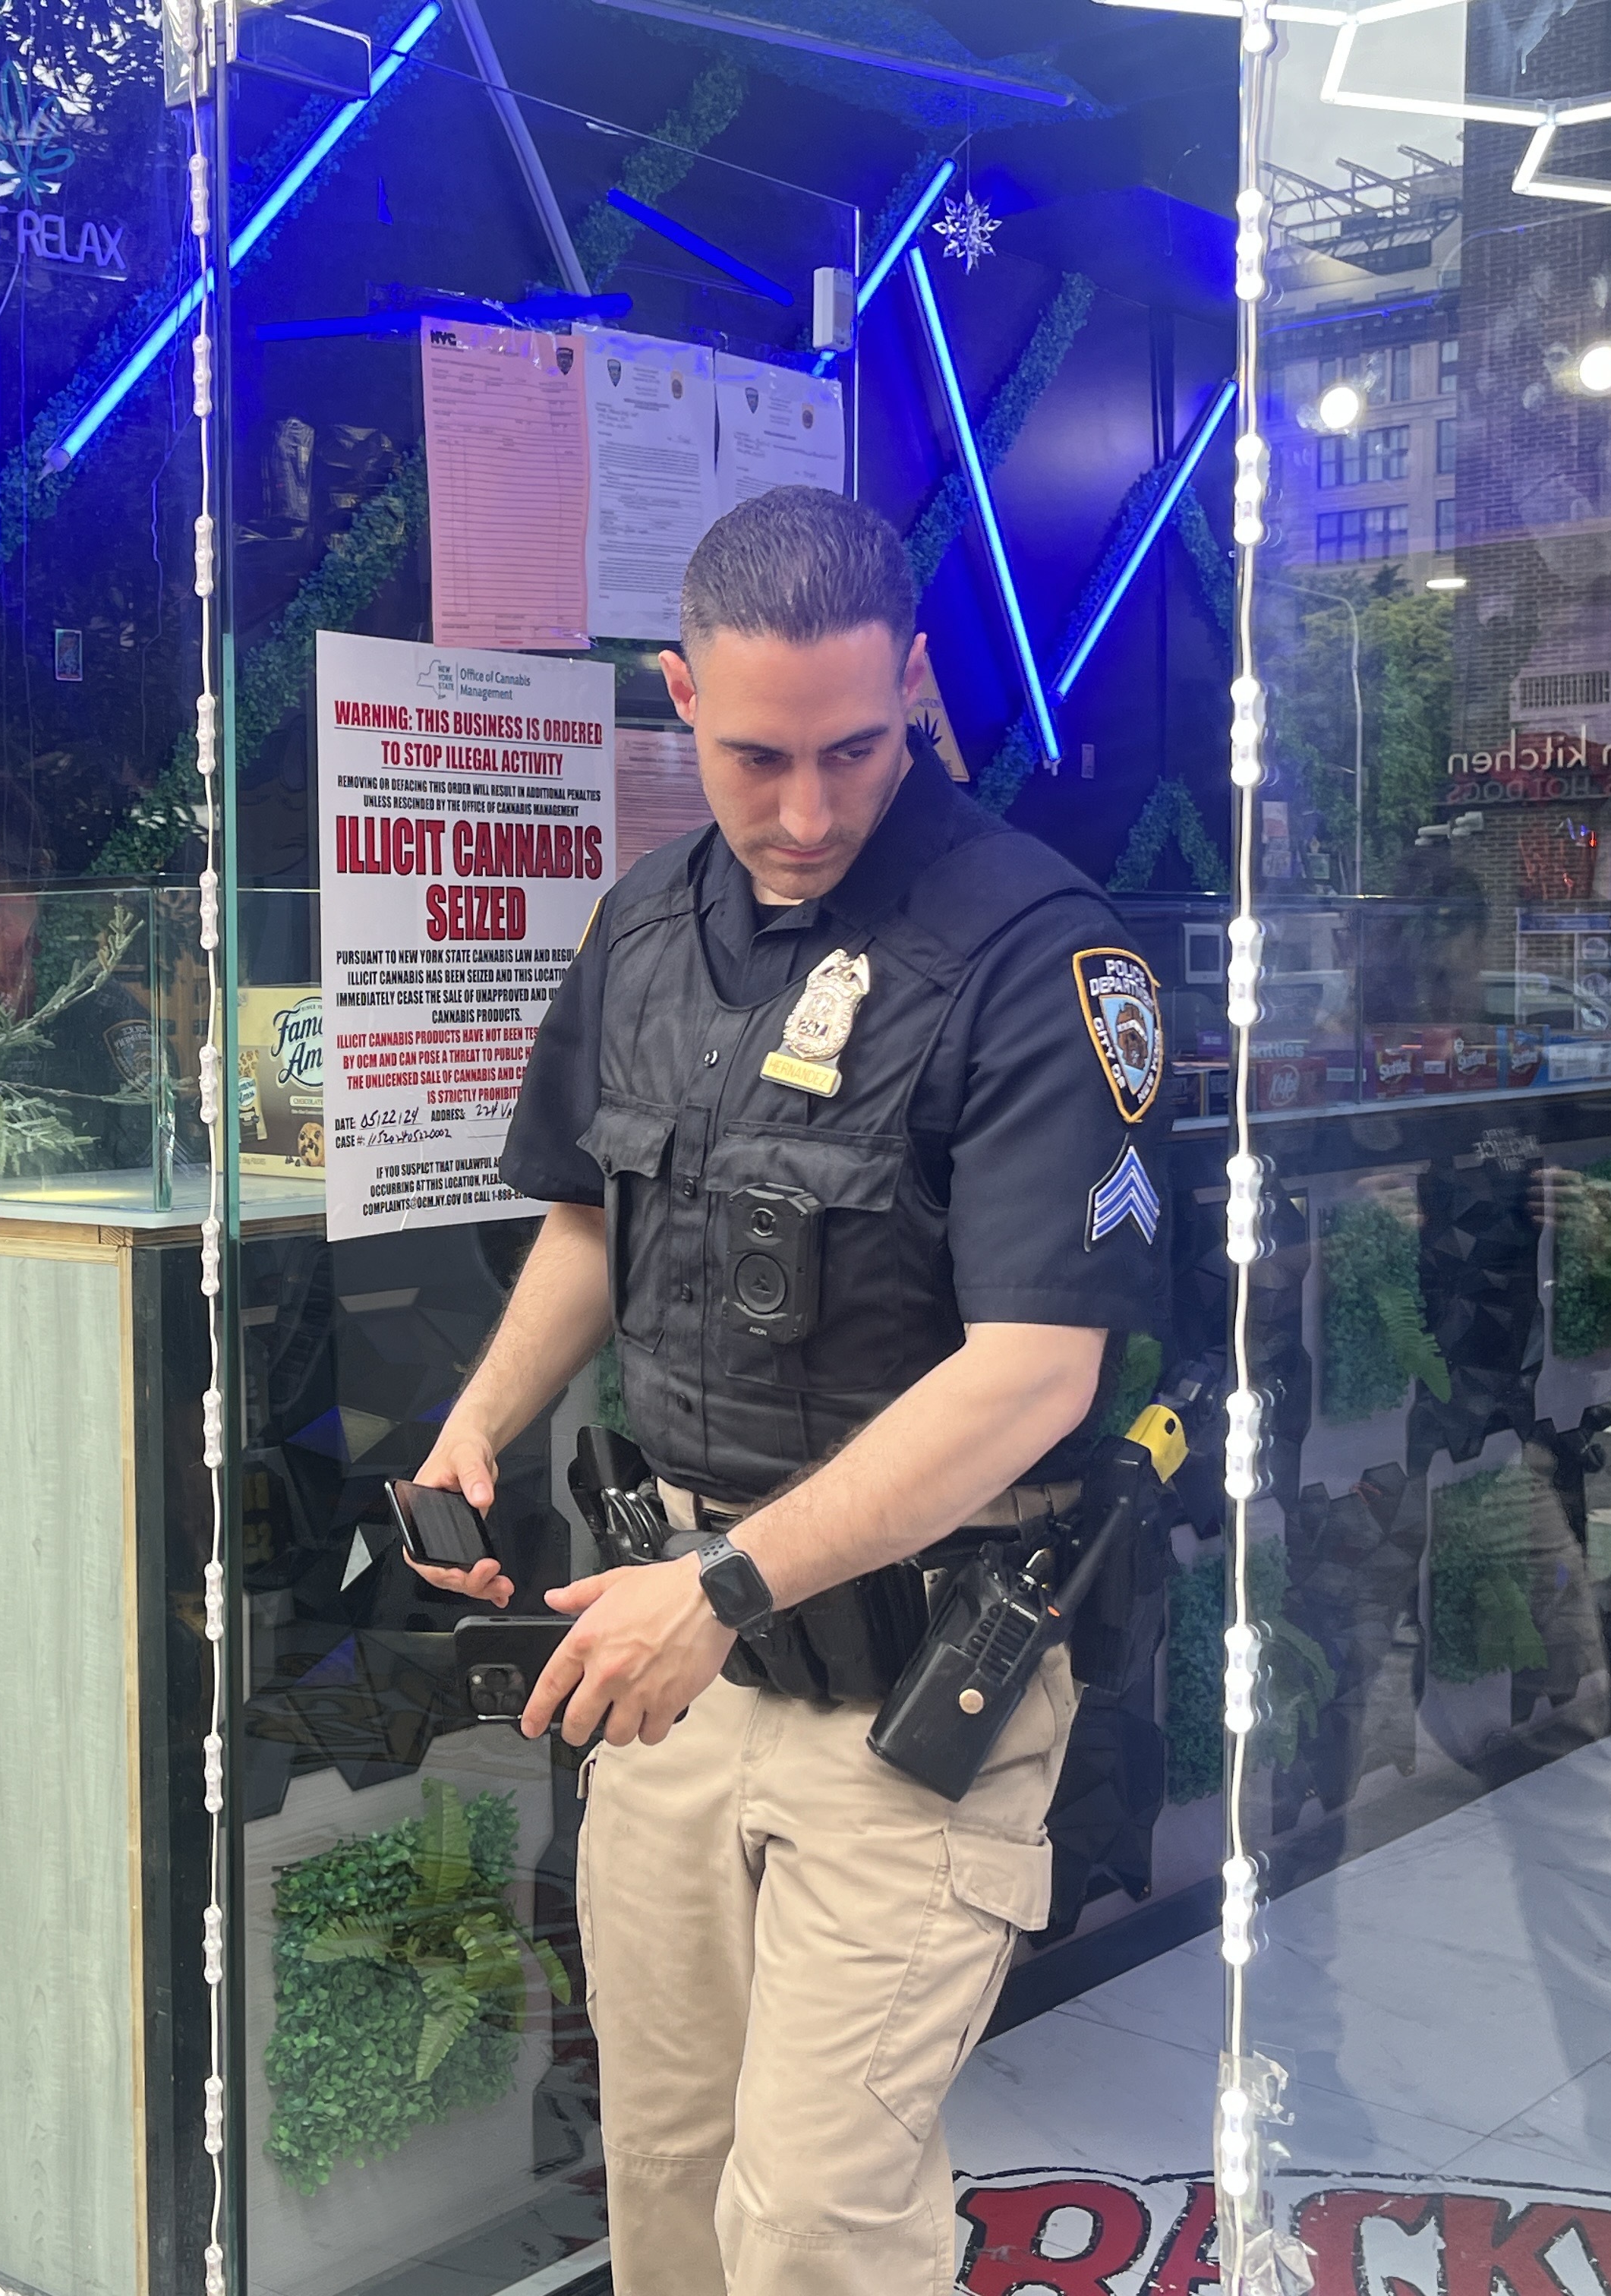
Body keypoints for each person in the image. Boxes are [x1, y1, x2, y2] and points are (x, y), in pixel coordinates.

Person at [407, 487, 1167, 2295]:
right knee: (669, 2182)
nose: (809, 809)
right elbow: (592, 1224)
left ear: (914, 681)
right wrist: (480, 1422)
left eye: (854, 746)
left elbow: (1034, 1375)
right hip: (669, 1669)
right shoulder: (644, 929)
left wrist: (727, 1585)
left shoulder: (1041, 953)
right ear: (677, 696)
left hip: (914, 1690)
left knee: (818, 2230)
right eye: (757, 757)